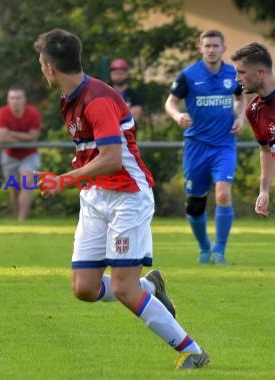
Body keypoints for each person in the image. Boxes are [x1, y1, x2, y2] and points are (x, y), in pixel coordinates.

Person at [33, 28, 210, 369]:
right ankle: (151, 286)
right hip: (96, 196)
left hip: (127, 196)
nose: (42, 70)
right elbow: (92, 155)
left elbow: (113, 158)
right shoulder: (69, 98)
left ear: (51, 67)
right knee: (84, 288)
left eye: (41, 64)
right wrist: (68, 177)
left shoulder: (97, 99)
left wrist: (63, 181)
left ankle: (192, 350)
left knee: (125, 289)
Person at [164, 29, 246, 265]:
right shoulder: (188, 75)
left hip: (224, 145)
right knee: (195, 202)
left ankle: (219, 251)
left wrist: (240, 117)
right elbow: (170, 102)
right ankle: (204, 248)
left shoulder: (233, 74)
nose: (211, 50)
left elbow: (241, 99)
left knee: (222, 193)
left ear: (223, 48)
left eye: (215, 46)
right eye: (207, 46)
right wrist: (177, 116)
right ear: (200, 49)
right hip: (196, 146)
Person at [231, 43, 275, 217]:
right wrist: (264, 190)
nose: (237, 79)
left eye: (241, 72)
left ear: (260, 73)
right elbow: (266, 150)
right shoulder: (253, 110)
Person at [0, 86, 42, 220]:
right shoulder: (3, 112)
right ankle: (17, 217)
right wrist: (24, 136)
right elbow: (2, 138)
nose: (15, 101)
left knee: (26, 183)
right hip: (9, 155)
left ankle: (22, 219)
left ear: (24, 100)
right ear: (8, 100)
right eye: (12, 98)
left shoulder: (32, 113)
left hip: (29, 155)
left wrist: (11, 133)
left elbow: (34, 136)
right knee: (14, 188)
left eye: (18, 98)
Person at [109, 58, 143, 124]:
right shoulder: (104, 93)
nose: (118, 76)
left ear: (127, 74)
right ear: (111, 74)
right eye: (115, 73)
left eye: (121, 73)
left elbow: (135, 117)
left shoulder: (134, 95)